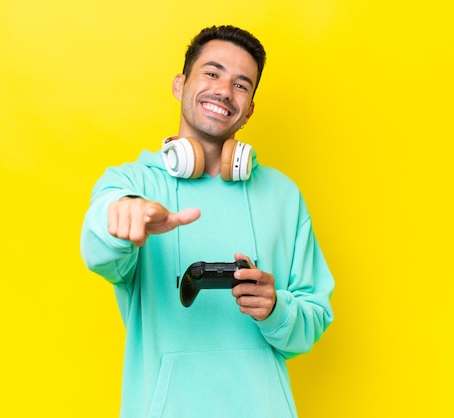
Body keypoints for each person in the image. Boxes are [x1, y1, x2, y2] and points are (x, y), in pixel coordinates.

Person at [80, 25, 334, 418]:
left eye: (241, 85)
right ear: (180, 84)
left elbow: (313, 320)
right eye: (212, 73)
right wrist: (122, 221)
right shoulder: (132, 183)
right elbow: (98, 250)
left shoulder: (284, 196)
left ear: (249, 109)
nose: (223, 91)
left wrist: (275, 308)